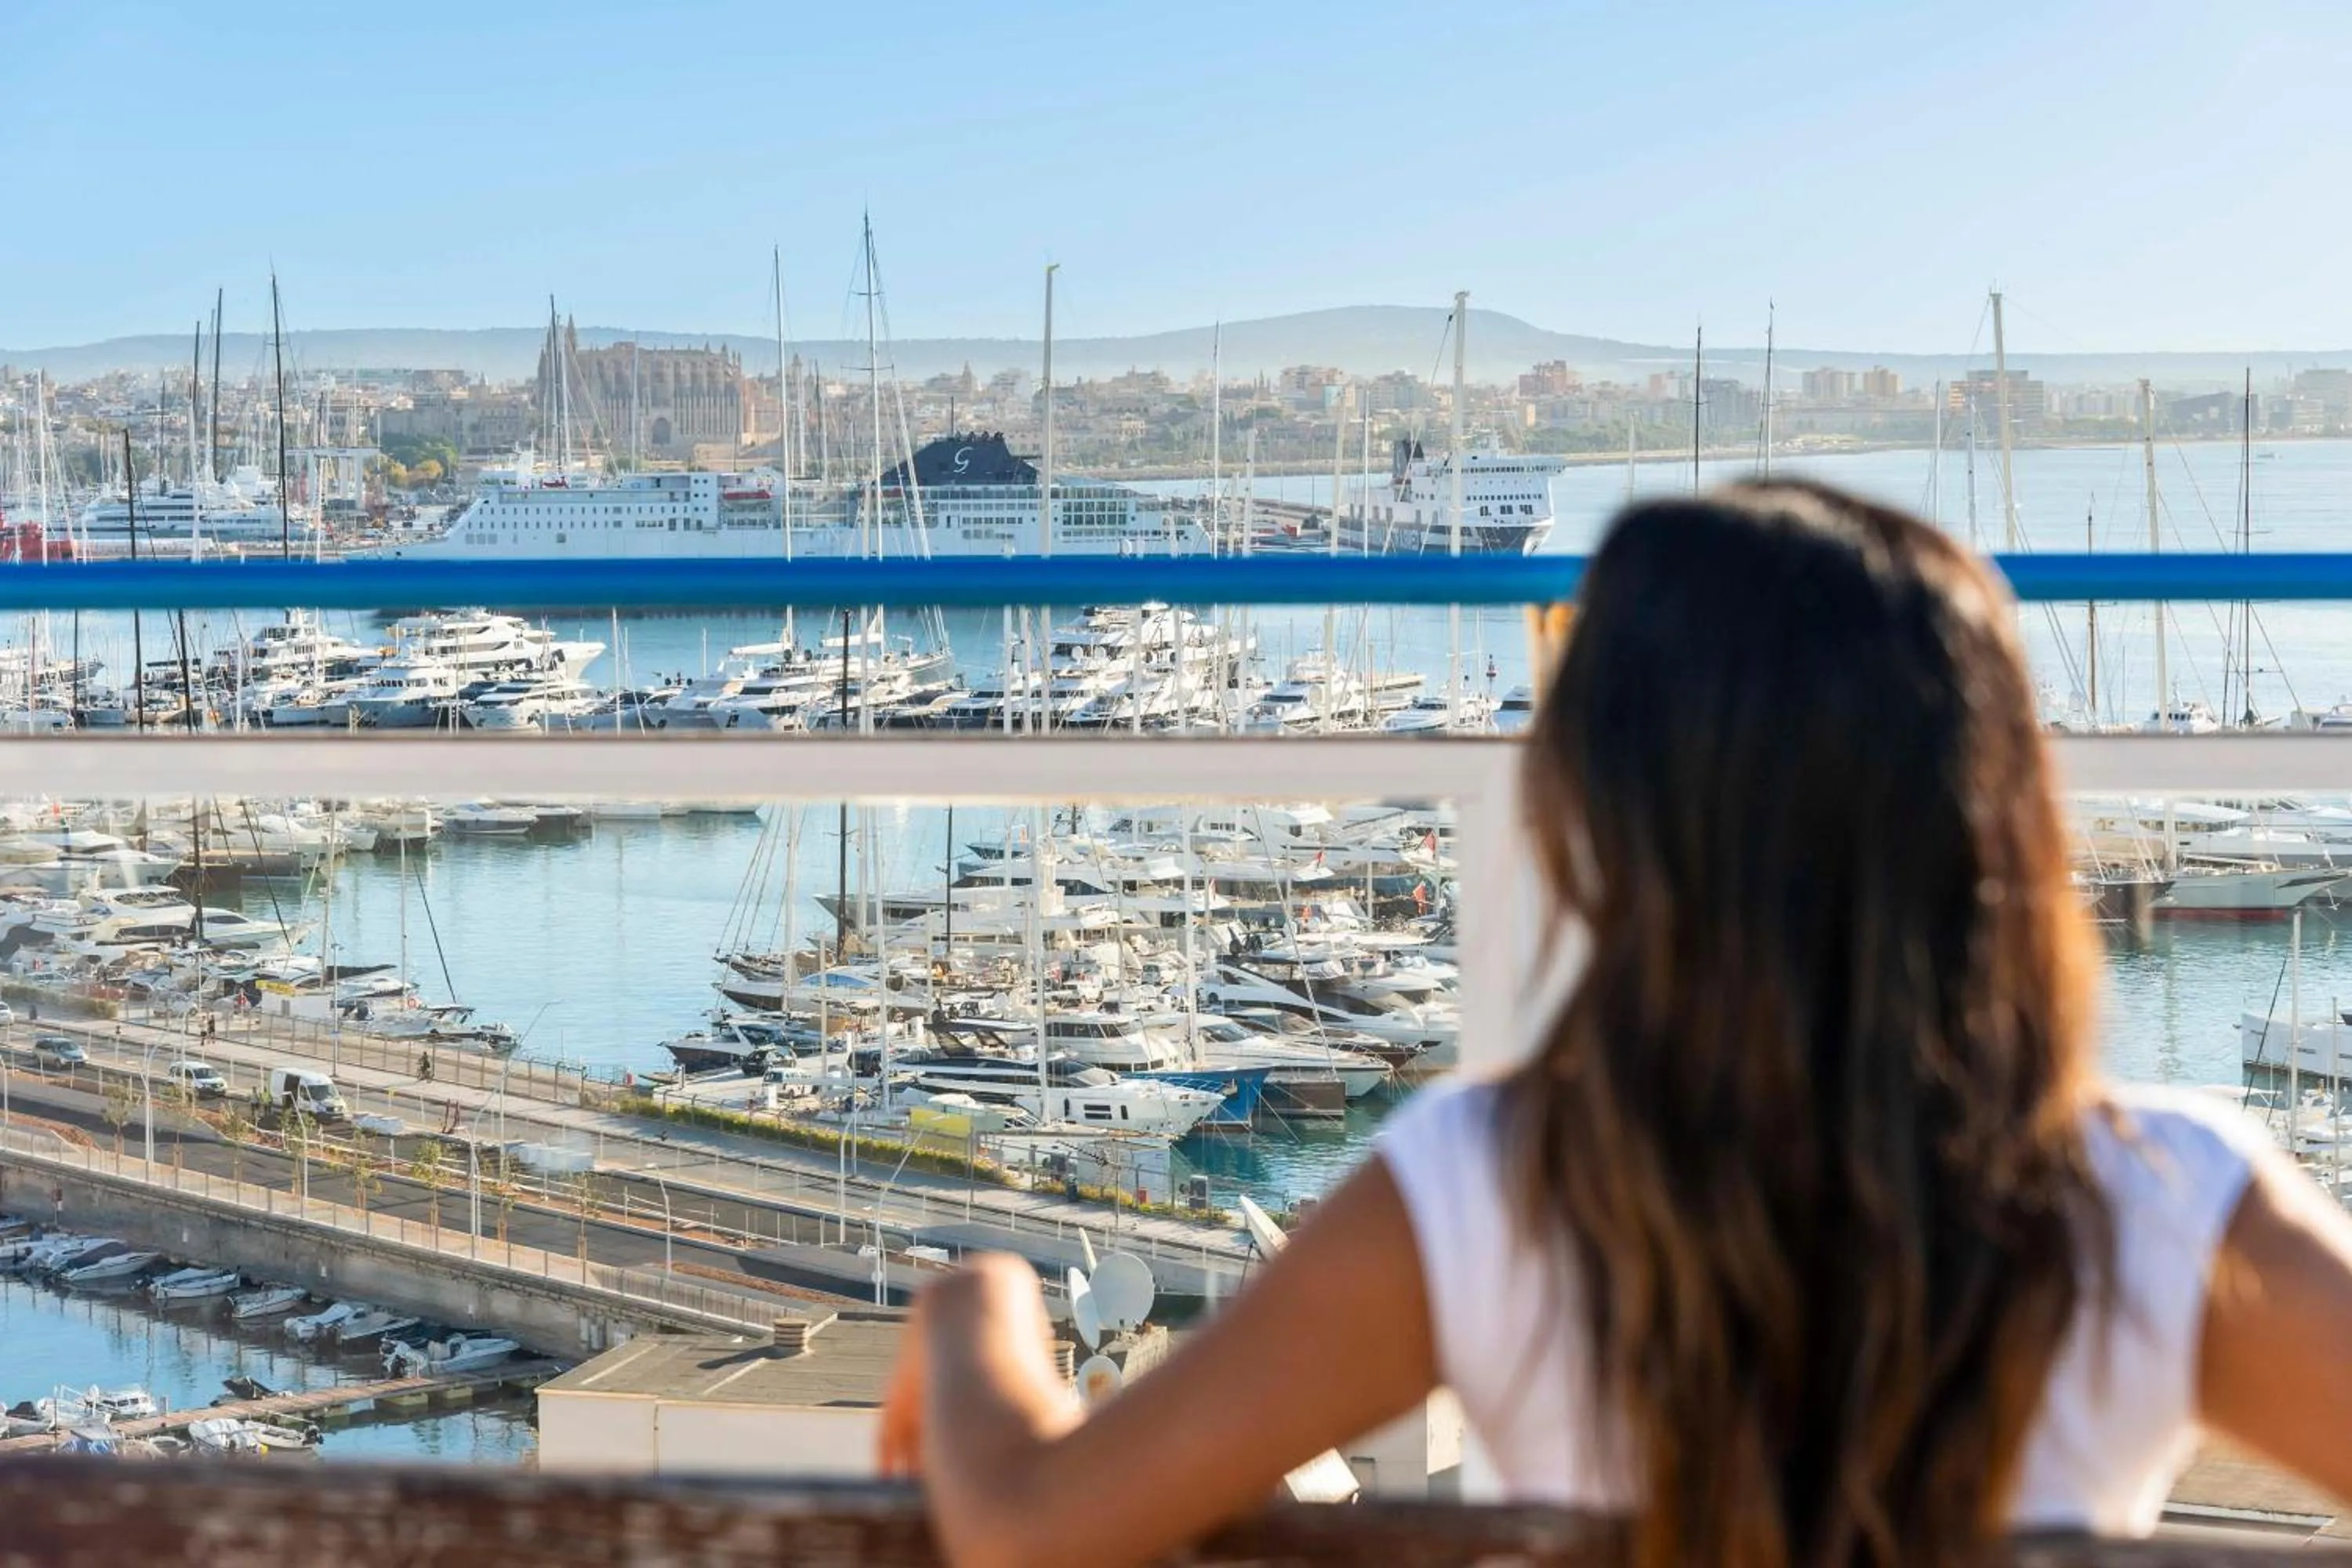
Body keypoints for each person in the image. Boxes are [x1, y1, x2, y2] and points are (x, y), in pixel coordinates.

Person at [880, 482, 2352, 1568]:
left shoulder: (1489, 1193)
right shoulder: (2171, 1208)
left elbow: (1031, 1530)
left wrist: (976, 1312)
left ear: (1603, 821)